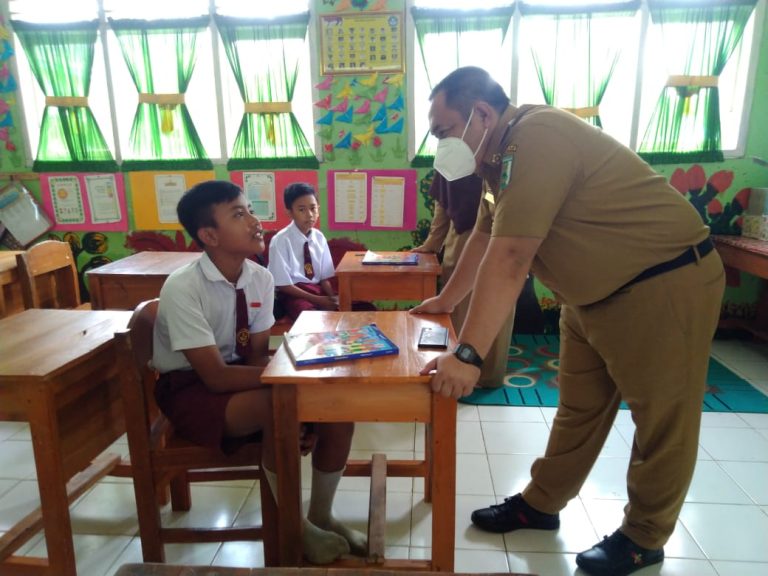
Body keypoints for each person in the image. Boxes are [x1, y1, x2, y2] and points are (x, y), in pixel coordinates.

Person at [411, 67, 724, 576]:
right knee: (578, 410)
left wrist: (468, 355)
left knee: (662, 420)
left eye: (443, 131)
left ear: (482, 114)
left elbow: (511, 257)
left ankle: (644, 537)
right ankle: (542, 503)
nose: (440, 145)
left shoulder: (537, 139)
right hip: (588, 297)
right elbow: (485, 238)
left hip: (661, 283)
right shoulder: (496, 161)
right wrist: (445, 300)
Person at [152, 180, 366, 564]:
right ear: (209, 236)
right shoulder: (183, 287)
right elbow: (215, 377)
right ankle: (294, 527)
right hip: (189, 390)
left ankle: (322, 515)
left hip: (238, 377)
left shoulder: (260, 278)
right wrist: (290, 385)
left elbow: (253, 358)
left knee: (333, 403)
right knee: (278, 406)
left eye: (250, 210)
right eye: (239, 214)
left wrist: (302, 398)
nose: (255, 221)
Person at [412, 171, 515, 388]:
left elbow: (508, 245)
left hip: (501, 236)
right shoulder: (452, 162)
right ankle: (455, 369)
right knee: (458, 309)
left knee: (496, 304)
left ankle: (487, 374)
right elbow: (444, 204)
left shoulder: (502, 167)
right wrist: (433, 242)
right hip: (463, 236)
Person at [268, 182, 339, 321]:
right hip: (293, 293)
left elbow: (324, 277)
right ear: (290, 213)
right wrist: (318, 300)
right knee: (309, 316)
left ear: (318, 209)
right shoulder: (280, 241)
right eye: (302, 210)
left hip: (316, 289)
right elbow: (283, 284)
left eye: (313, 208)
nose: (309, 215)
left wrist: (332, 298)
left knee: (345, 308)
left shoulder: (319, 237)